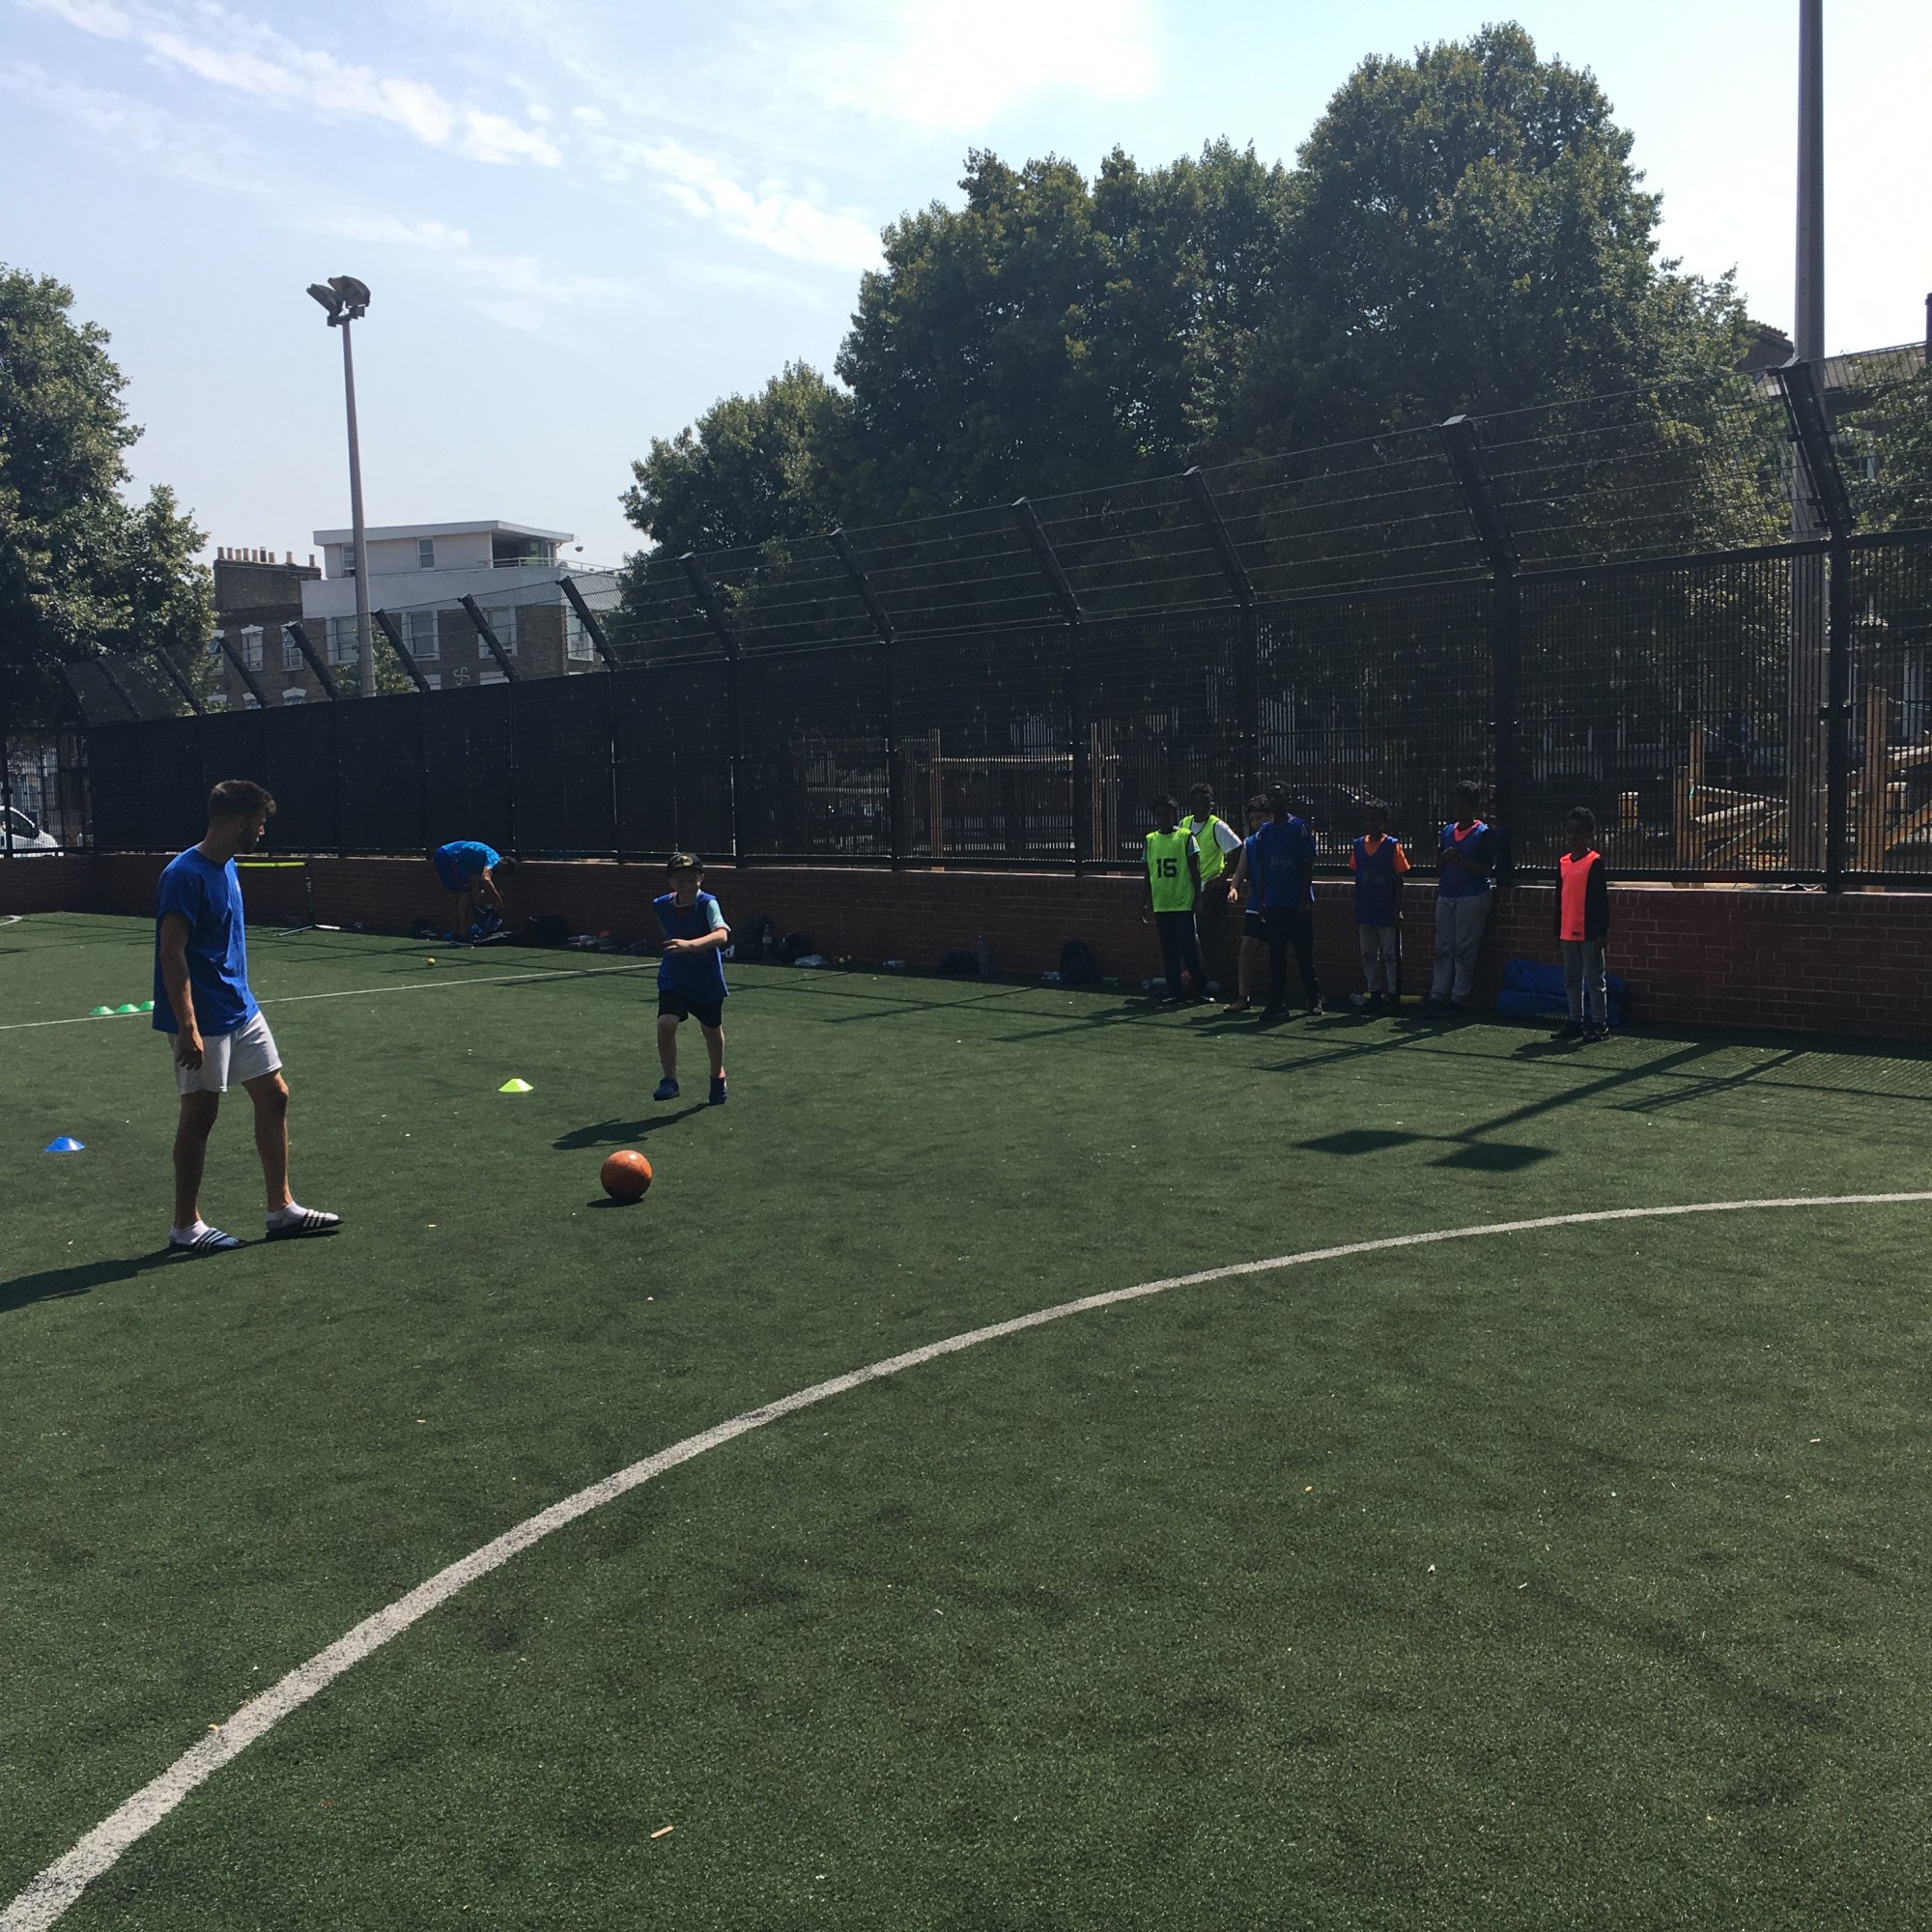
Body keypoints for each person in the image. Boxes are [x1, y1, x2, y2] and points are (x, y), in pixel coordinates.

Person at [155, 780, 339, 1254]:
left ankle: (281, 1209)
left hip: (240, 1006)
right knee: (200, 1113)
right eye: (258, 823)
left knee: (274, 1095)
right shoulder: (184, 875)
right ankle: (185, 1226)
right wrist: (188, 1027)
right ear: (237, 822)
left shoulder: (229, 865)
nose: (261, 831)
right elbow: (172, 954)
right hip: (203, 1017)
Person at [652, 852, 731, 1104]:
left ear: (701, 878)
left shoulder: (708, 903)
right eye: (680, 880)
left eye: (691, 879)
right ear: (670, 882)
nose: (686, 885)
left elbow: (721, 935)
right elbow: (667, 930)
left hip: (705, 979)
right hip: (673, 976)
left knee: (711, 1029)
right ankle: (669, 1079)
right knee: (665, 1023)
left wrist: (690, 945)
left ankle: (717, 1074)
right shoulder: (661, 905)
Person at [1426, 781, 1498, 1015]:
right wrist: (1444, 858)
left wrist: (1460, 860)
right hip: (1447, 894)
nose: (1458, 811)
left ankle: (1458, 997)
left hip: (1472, 895)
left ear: (1473, 807)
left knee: (1464, 949)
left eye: (1463, 806)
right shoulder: (1447, 831)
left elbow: (1487, 869)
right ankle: (1438, 993)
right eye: (1455, 806)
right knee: (1443, 947)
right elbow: (1438, 866)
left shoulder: (1483, 833)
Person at [1253, 783, 1321, 1018]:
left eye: (1279, 796)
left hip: (1296, 904)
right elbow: (1263, 869)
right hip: (1274, 904)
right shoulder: (1264, 832)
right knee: (1276, 957)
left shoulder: (1299, 828)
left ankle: (1313, 997)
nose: (1275, 800)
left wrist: (1303, 900)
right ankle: (1276, 1003)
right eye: (1271, 797)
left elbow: (1307, 866)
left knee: (1304, 955)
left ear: (1288, 799)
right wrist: (1262, 900)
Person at [1553, 807, 1611, 1041]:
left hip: (1589, 933)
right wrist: (1557, 929)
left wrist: (1601, 932)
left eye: (1578, 832)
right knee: (1571, 979)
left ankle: (1599, 1023)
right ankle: (1575, 1020)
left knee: (1595, 979)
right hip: (1567, 931)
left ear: (1589, 835)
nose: (1572, 837)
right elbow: (1559, 898)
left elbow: (1601, 900)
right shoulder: (1563, 863)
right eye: (1569, 832)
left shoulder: (1594, 862)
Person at [1141, 796, 1205, 1001]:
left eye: (1166, 815)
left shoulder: (1186, 837)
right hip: (1162, 904)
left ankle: (1199, 988)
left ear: (1174, 815)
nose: (1162, 819)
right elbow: (1148, 873)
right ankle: (1174, 989)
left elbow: (1195, 871)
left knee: (1189, 948)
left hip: (1183, 902)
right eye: (1158, 815)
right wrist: (1144, 901)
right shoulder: (1150, 840)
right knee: (1168, 950)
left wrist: (1197, 898)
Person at [1348, 804, 1409, 1012]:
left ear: (1384, 822)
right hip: (1366, 908)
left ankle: (1393, 995)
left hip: (1386, 908)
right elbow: (1357, 876)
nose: (1370, 824)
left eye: (1375, 820)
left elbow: (1399, 880)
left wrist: (1397, 908)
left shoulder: (1392, 846)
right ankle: (1374, 992)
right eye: (1367, 820)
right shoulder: (1358, 845)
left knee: (1390, 954)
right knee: (1368, 953)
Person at [1180, 781, 1243, 987]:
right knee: (1188, 934)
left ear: (1212, 805)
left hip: (1208, 889)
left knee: (1204, 935)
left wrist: (1222, 878)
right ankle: (1189, 975)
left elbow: (1237, 849)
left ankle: (1206, 977)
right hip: (1188, 888)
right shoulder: (1184, 824)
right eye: (1198, 803)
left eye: (1206, 803)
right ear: (1191, 805)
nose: (1202, 808)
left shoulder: (1217, 826)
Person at [1220, 795, 1270, 1013]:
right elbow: (1240, 871)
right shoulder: (1250, 843)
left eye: (1261, 817)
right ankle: (1243, 997)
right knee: (1247, 949)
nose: (1257, 823)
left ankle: (1304, 995)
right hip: (1256, 903)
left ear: (1270, 816)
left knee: (1285, 950)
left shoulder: (1278, 840)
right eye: (1252, 819)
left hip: (1277, 903)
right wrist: (1234, 888)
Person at [432, 838, 516, 942]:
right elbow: (485, 879)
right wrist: (497, 901)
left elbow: (476, 887)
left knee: (459, 895)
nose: (500, 875)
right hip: (448, 856)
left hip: (444, 854)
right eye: (503, 872)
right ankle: (462, 934)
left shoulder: (480, 863)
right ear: (504, 863)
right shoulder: (494, 858)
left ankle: (456, 932)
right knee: (464, 894)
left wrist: (485, 903)